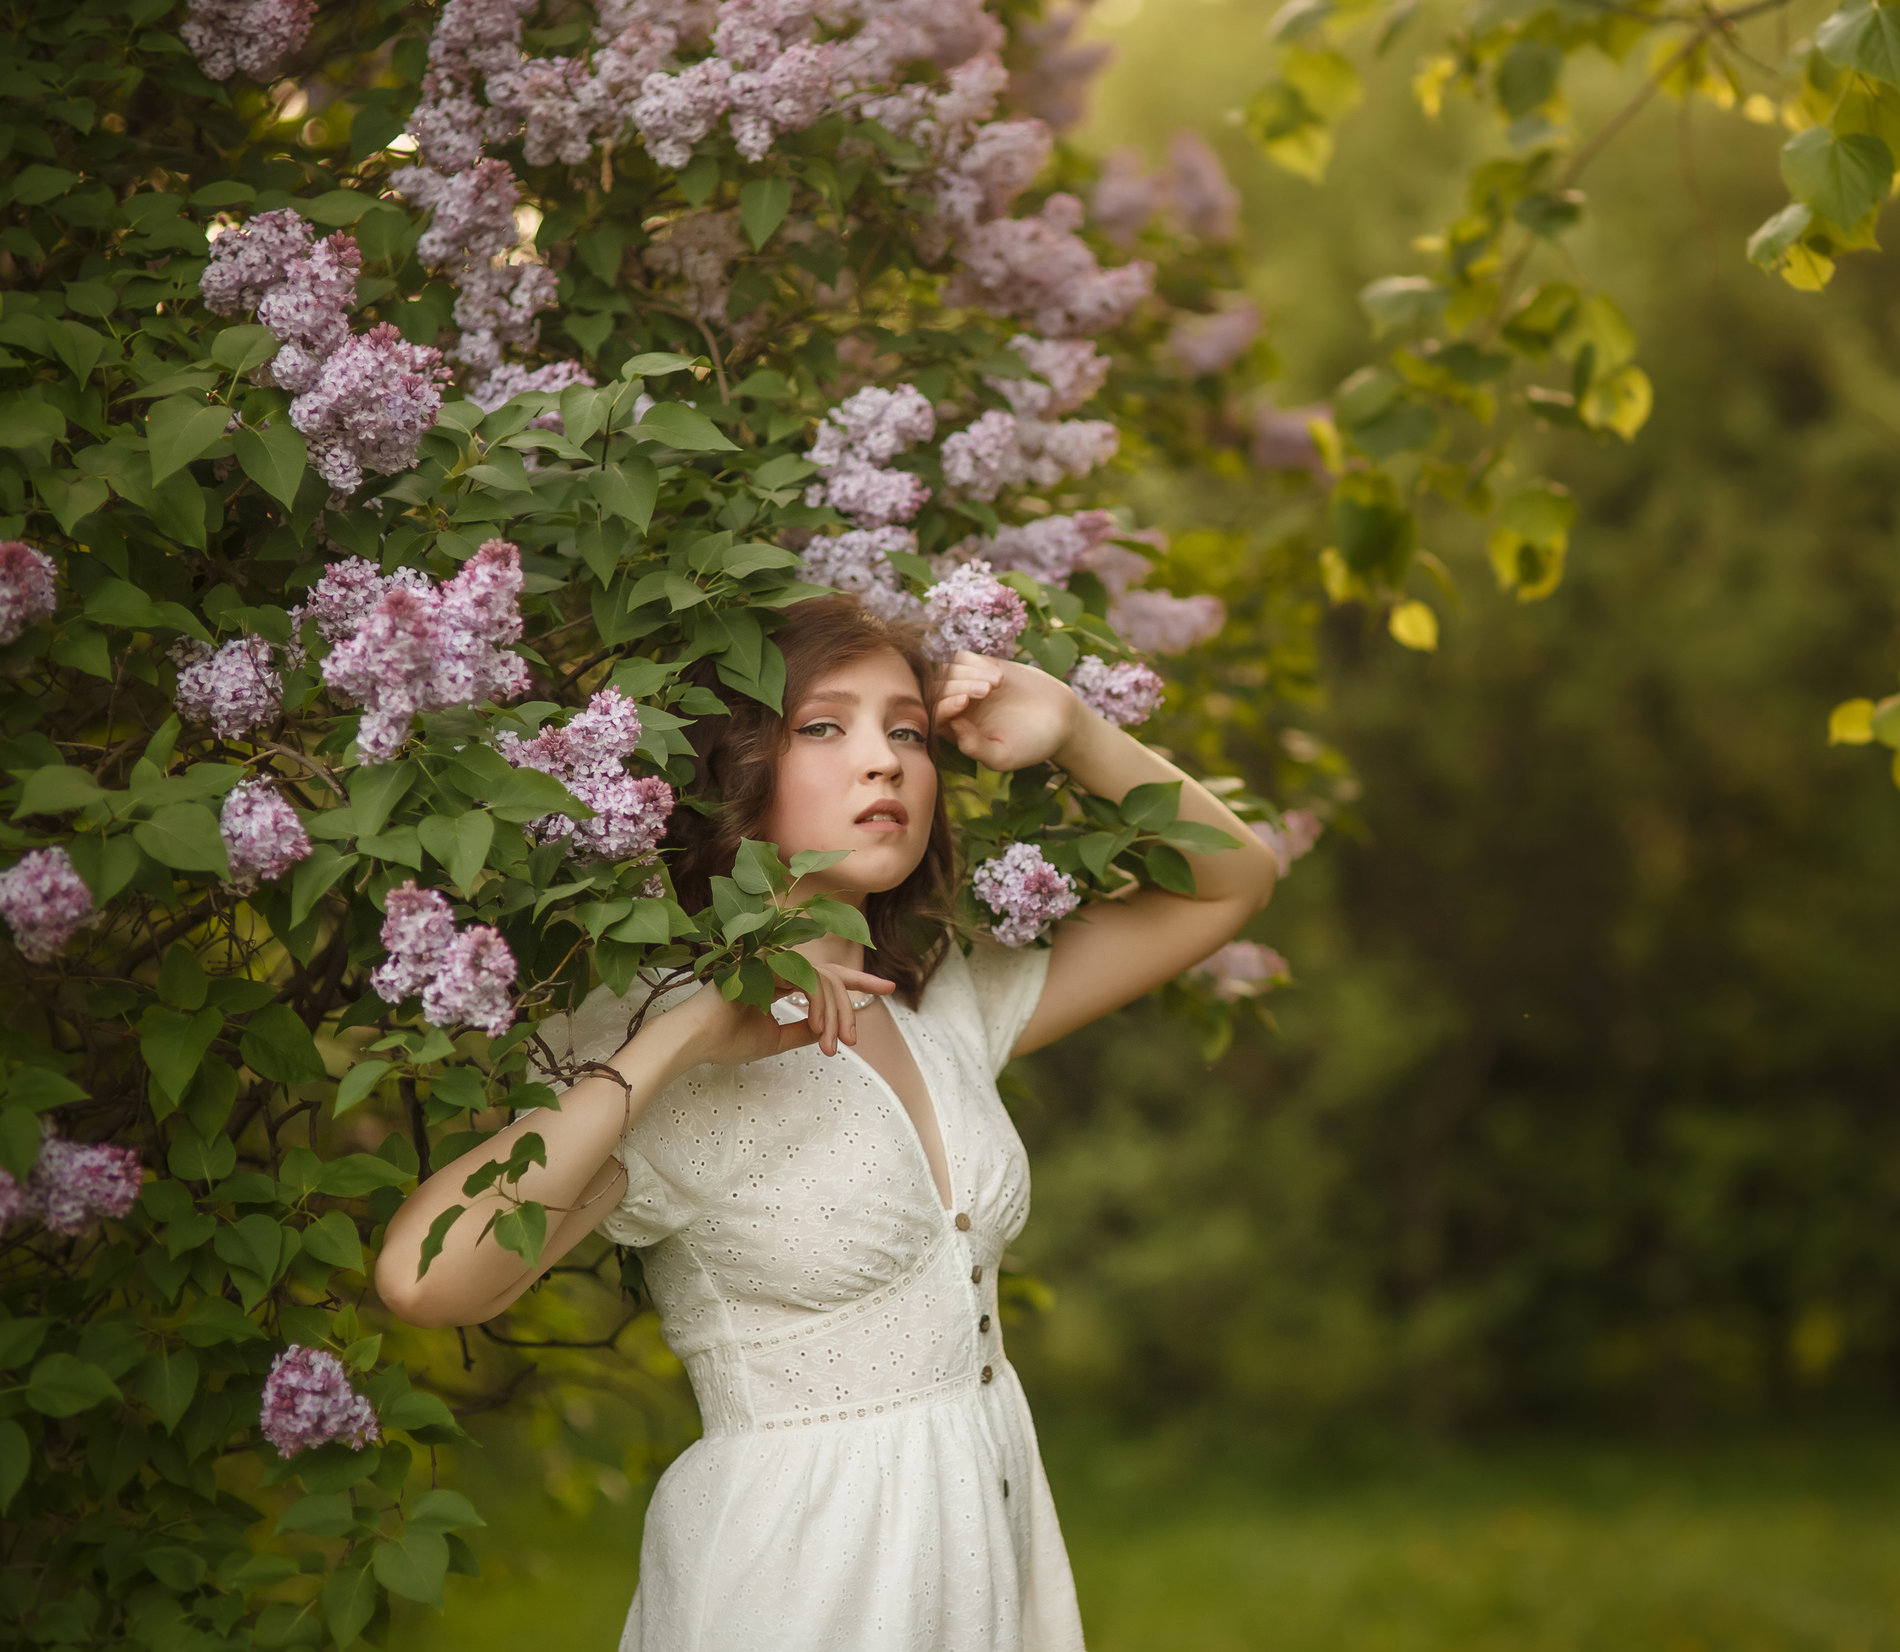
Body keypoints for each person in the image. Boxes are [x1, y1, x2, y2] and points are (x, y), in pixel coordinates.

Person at [375, 595, 1281, 1651]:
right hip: (797, 1578)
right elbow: (424, 1280)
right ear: (733, 770)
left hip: (980, 1548)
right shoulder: (660, 1045)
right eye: (824, 726)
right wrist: (689, 1034)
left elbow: (1232, 882)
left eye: (906, 729)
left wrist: (1076, 728)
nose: (884, 761)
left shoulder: (942, 995)